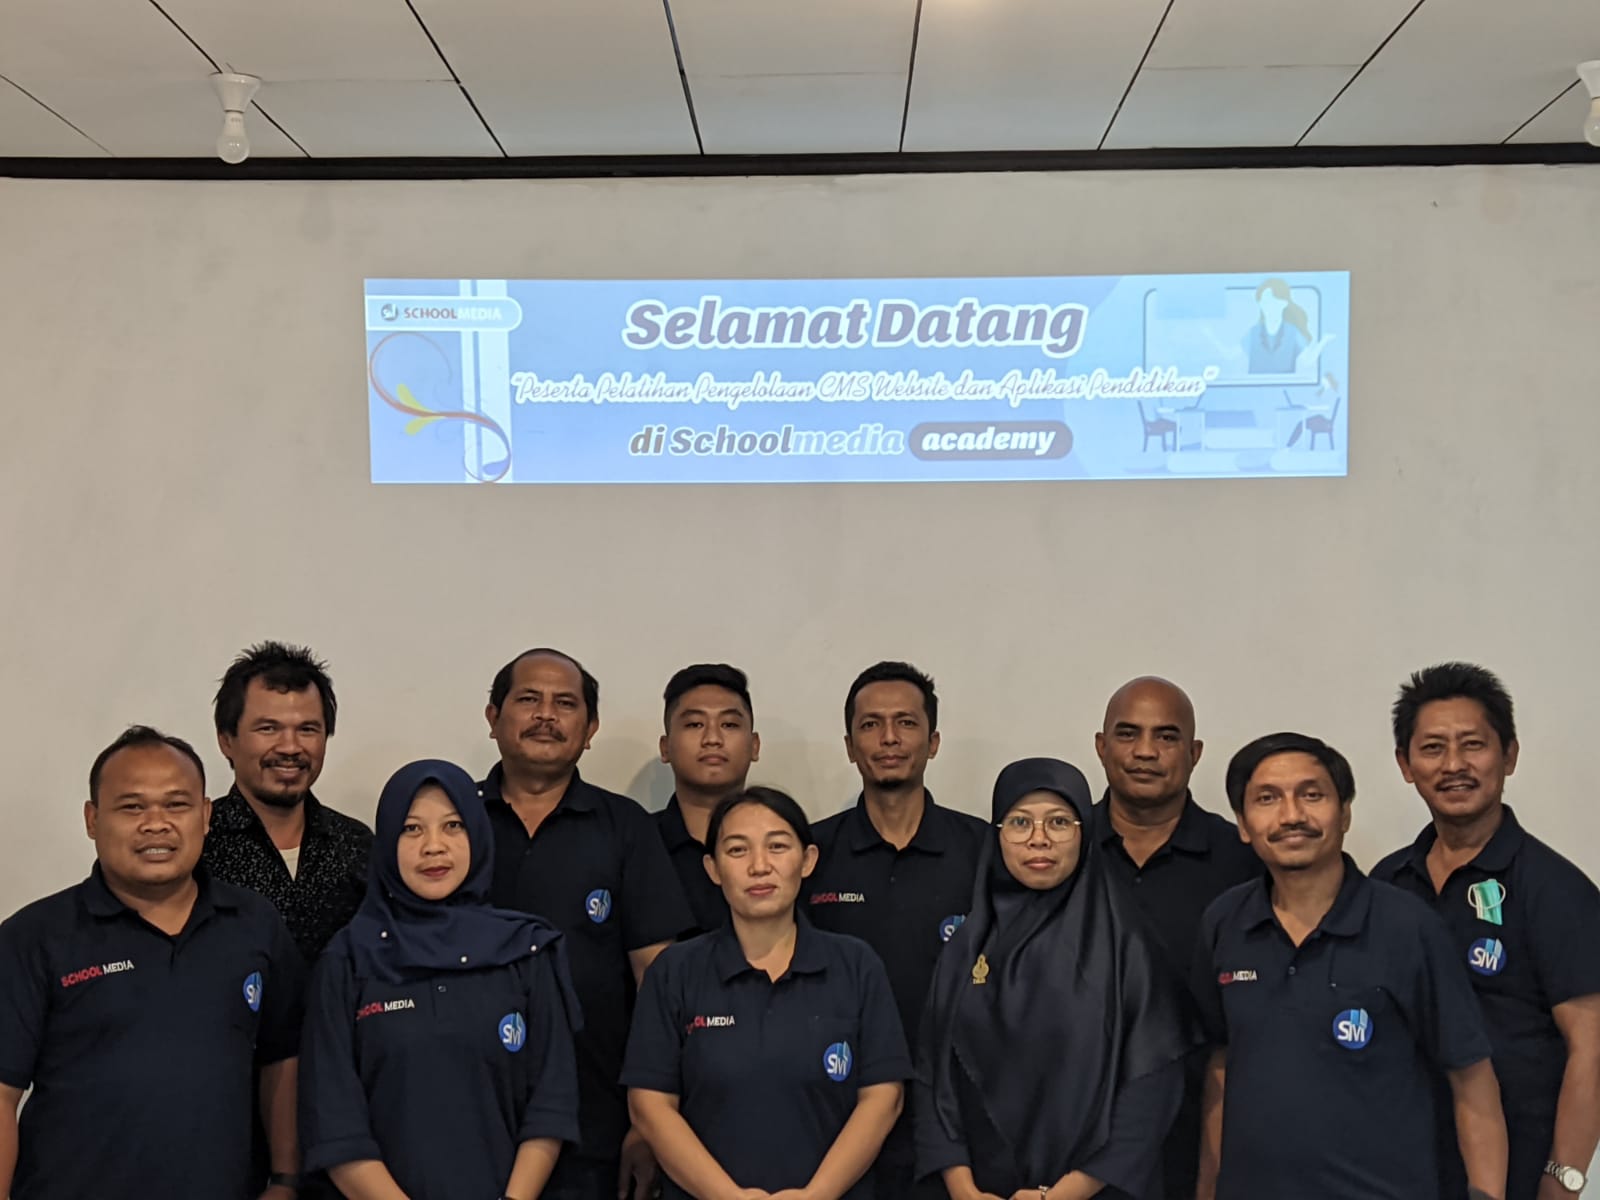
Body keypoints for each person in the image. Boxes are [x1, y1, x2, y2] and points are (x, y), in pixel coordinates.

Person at [1194, 732, 1508, 1200]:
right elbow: (1221, 1062)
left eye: (1312, 795)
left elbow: (1472, 1081)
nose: (1291, 815)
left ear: (1344, 814)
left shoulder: (1408, 926)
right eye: (1267, 799)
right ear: (1242, 824)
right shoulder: (1224, 922)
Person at [0, 725, 304, 1200]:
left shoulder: (255, 924)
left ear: (205, 816)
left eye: (176, 805)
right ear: (92, 819)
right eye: (132, 807)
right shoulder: (33, 937)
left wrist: (285, 1179)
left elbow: (282, 1057)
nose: (156, 824)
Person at [300, 759, 581, 1200]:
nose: (434, 846)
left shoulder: (526, 950)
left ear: (478, 835)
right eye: (411, 829)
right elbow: (336, 1128)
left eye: (453, 826)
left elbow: (551, 1106)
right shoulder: (349, 960)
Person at [917, 757, 1194, 1200]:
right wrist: (962, 1186)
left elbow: (1153, 1086)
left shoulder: (1129, 947)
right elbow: (931, 1077)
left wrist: (1066, 1194)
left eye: (1060, 822)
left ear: (1086, 833)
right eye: (1019, 822)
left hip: (1098, 1191)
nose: (1039, 838)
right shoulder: (966, 947)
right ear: (997, 834)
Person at [1374, 663, 1600, 1200]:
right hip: (1396, 1168)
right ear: (1405, 764)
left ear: (1509, 755)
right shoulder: (1385, 883)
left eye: (1472, 744)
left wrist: (1563, 1181)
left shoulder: (1555, 888)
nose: (1454, 765)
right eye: (1433, 748)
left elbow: (1592, 1047)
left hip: (1518, 1171)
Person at [624, 786, 910, 1200]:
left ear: (808, 860)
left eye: (777, 846)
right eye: (737, 850)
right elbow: (649, 1105)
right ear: (713, 868)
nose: (760, 866)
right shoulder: (675, 971)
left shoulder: (855, 965)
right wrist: (728, 1197)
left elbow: (884, 1097)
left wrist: (816, 1195)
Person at [482, 647, 693, 1200]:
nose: (546, 715)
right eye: (529, 699)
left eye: (565, 703)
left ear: (590, 728)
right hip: (468, 1116)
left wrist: (649, 1122)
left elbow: (660, 985)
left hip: (595, 1124)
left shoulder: (624, 827)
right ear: (493, 717)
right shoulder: (453, 825)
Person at [808, 661, 988, 1200]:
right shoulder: (810, 855)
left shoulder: (984, 852)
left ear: (933, 742)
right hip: (834, 1117)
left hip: (957, 1124)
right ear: (849, 745)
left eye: (906, 723)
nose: (889, 738)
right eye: (871, 724)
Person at [1089, 676, 1260, 1200]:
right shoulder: (1057, 853)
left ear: (1194, 752)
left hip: (1208, 1129)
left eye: (1166, 736)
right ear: (1101, 746)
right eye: (1128, 734)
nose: (1145, 752)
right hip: (1075, 1135)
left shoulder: (1243, 860)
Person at [205, 641, 373, 963]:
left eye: (307, 729)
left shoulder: (358, 845)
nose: (290, 747)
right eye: (268, 728)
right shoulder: (196, 847)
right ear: (226, 740)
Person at [656, 663, 761, 935]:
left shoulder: (784, 848)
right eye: (695, 724)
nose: (712, 739)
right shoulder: (638, 843)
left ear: (755, 745)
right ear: (665, 748)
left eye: (729, 724)